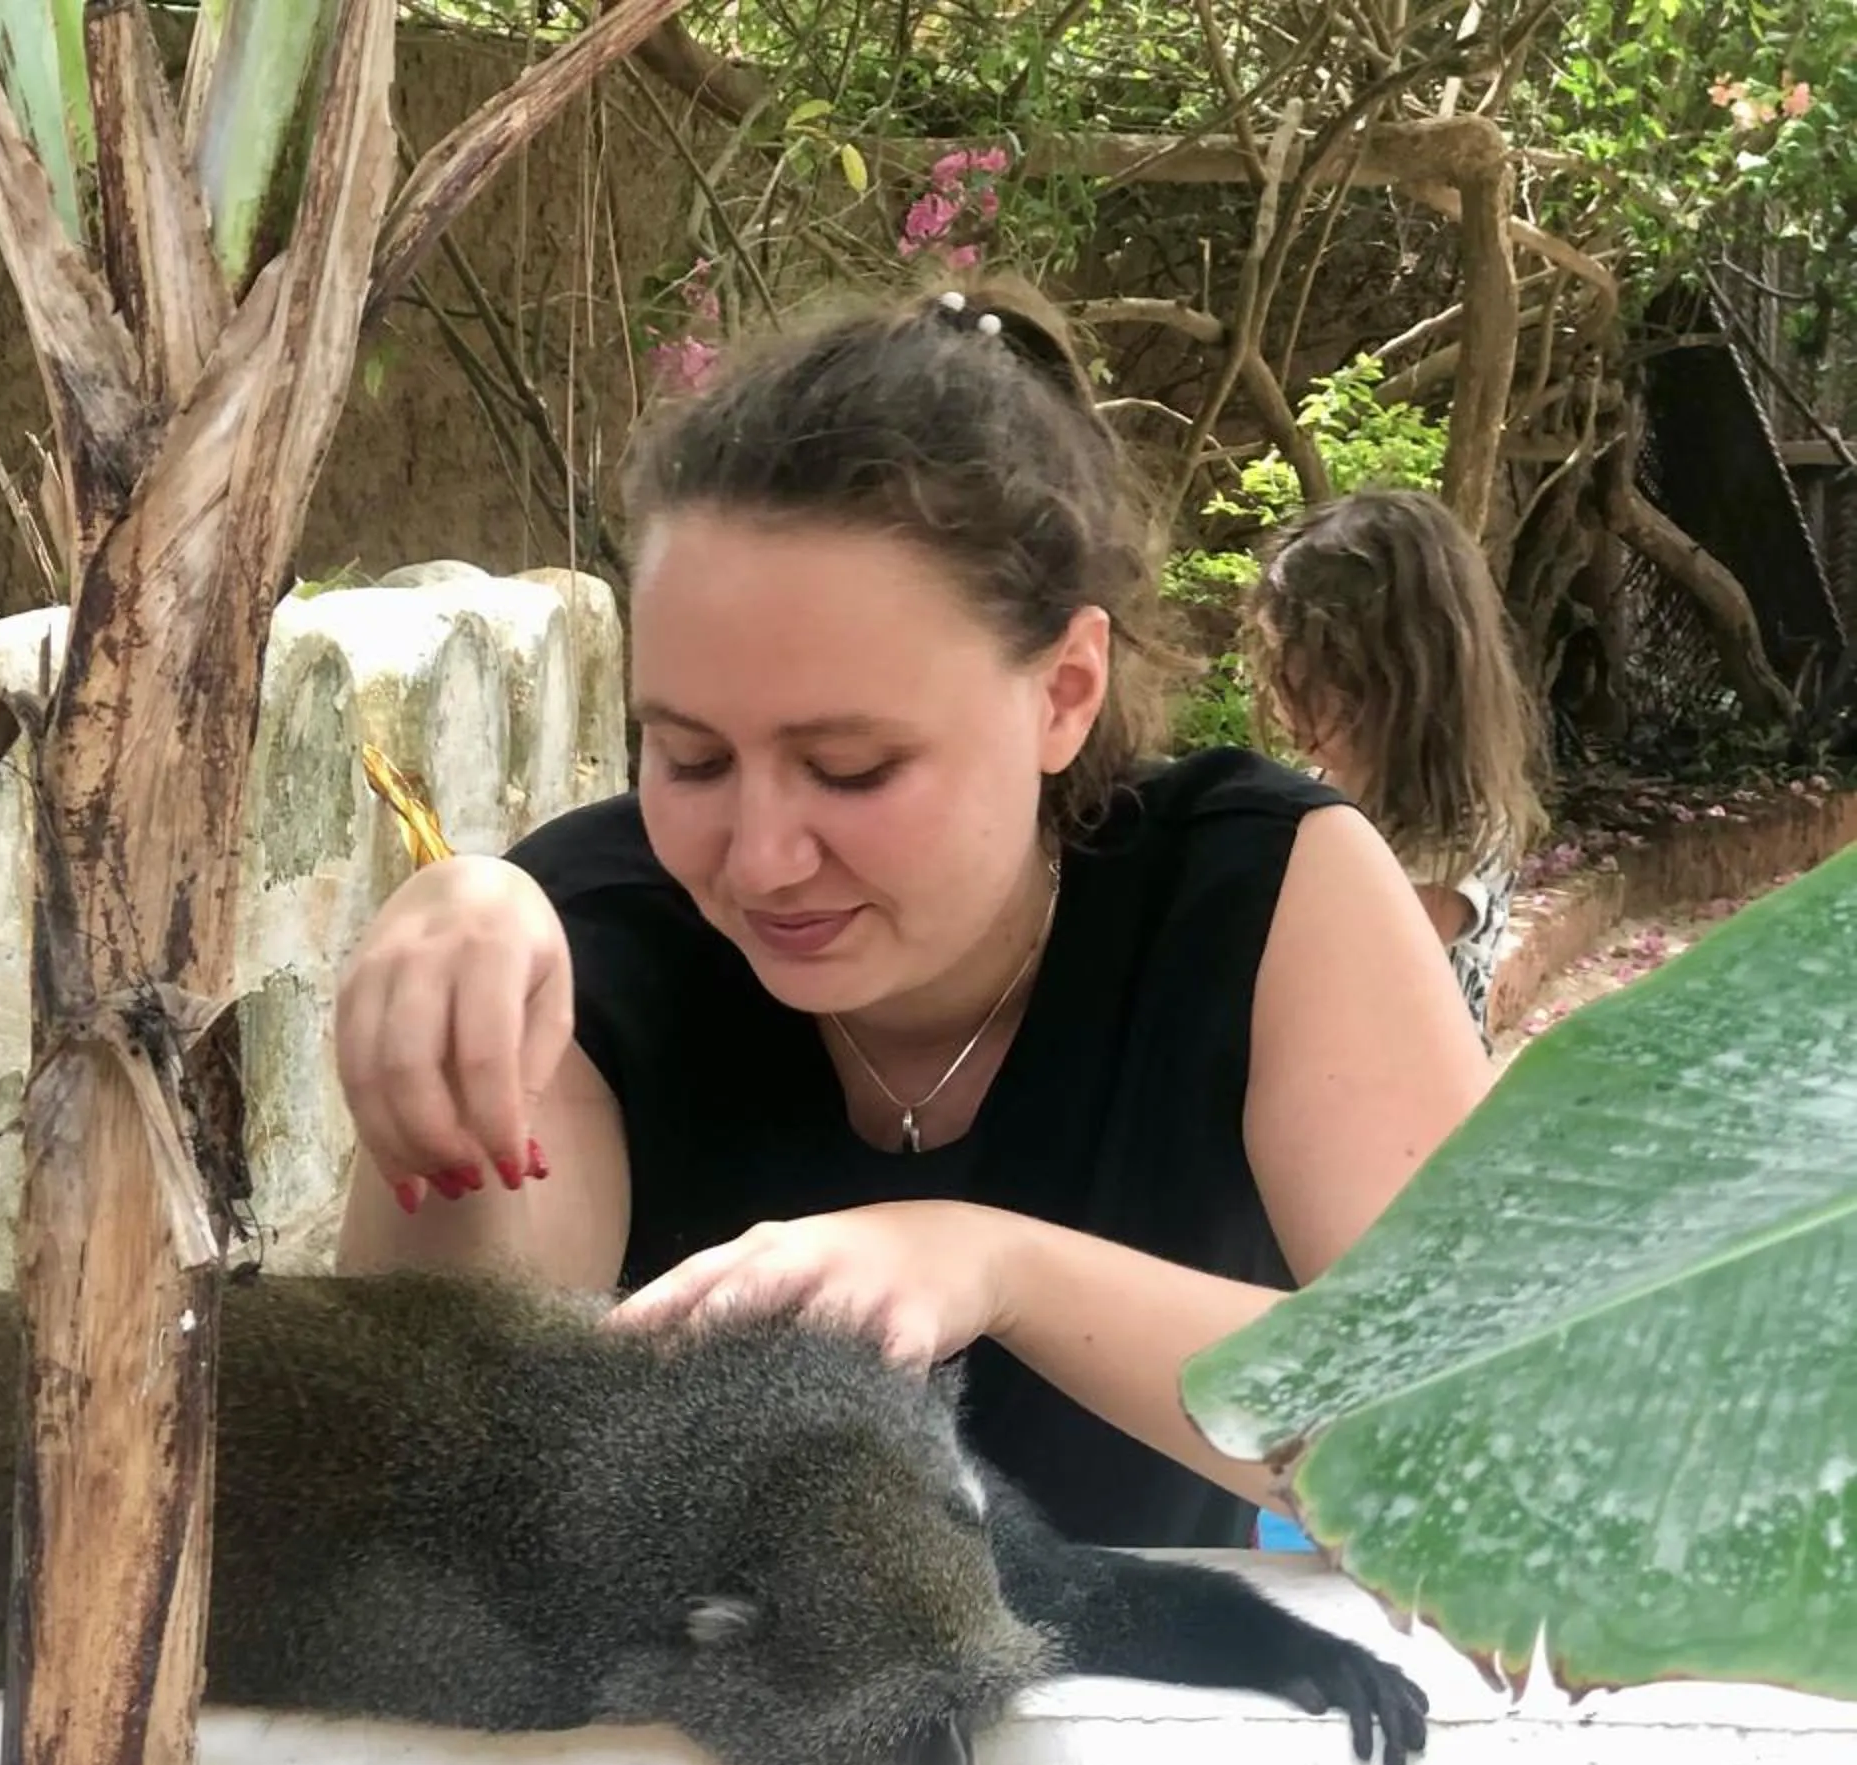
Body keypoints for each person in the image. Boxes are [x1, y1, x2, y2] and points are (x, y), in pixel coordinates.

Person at [325, 278, 1492, 1551]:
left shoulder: (1256, 895)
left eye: (852, 770)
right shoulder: (598, 940)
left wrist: (995, 1267)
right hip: (694, 1741)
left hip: (1170, 1727)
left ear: (1065, 691)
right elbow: (440, 1480)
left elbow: (1488, 1439)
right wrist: (447, 1009)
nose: (761, 862)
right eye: (692, 759)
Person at [1240, 485, 1548, 1035]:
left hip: (1408, 1108)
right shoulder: (1325, 784)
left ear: (1404, 683)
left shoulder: (1455, 831)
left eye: (1317, 683)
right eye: (1284, 674)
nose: (1290, 708)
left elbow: (1356, 981)